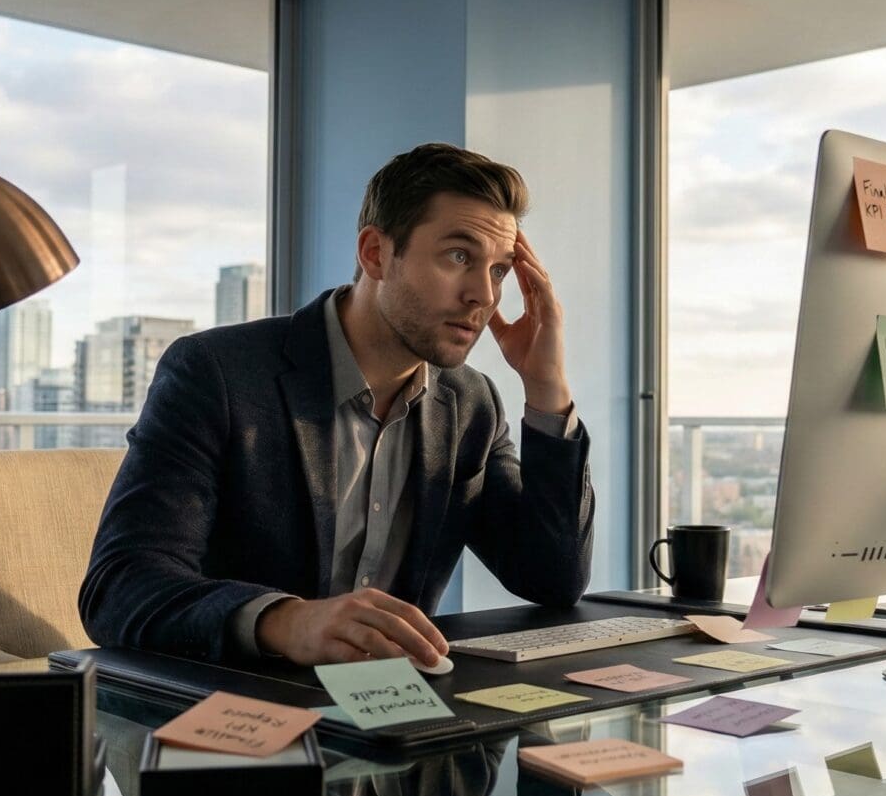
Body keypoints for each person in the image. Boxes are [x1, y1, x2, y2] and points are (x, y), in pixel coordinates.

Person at [79, 143, 595, 667]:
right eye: (459, 256)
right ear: (374, 253)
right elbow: (119, 586)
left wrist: (546, 384)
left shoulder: (470, 403)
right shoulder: (216, 373)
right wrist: (283, 619)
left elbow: (553, 578)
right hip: (237, 713)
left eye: (501, 270)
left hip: (395, 718)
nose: (483, 294)